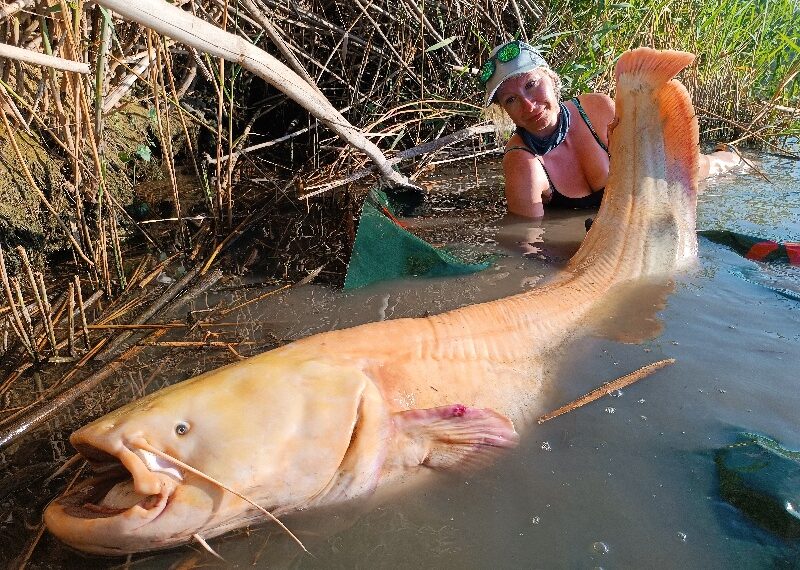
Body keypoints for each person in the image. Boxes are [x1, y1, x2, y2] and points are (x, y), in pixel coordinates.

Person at [480, 40, 741, 218]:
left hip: (642, 189)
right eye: (511, 100)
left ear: (551, 77)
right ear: (504, 110)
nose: (528, 105)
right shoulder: (521, 162)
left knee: (709, 167)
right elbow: (528, 246)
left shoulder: (596, 108)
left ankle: (732, 154)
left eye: (531, 84)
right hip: (604, 224)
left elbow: (649, 164)